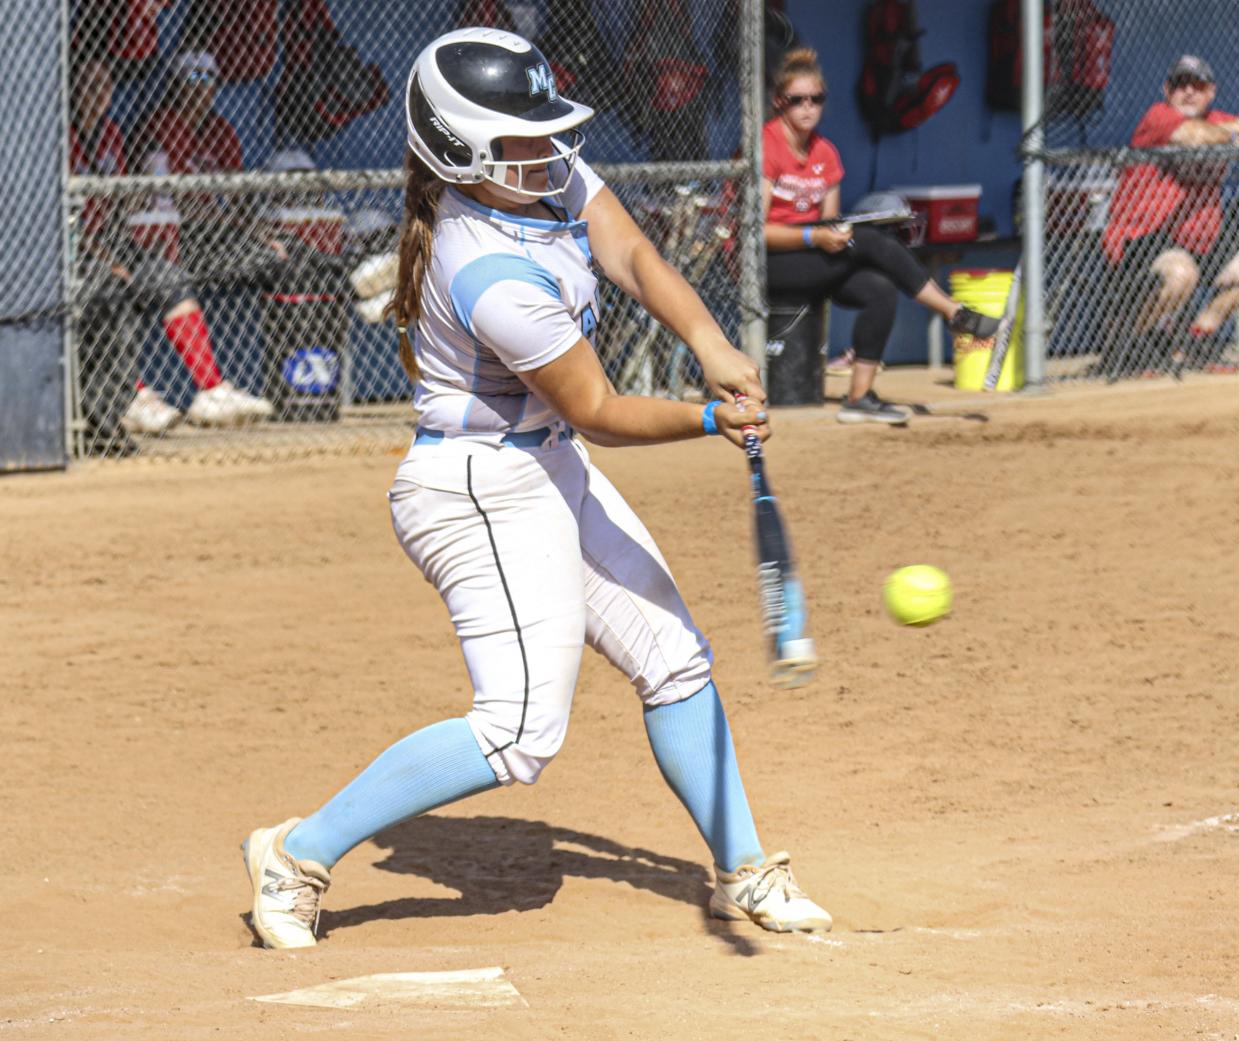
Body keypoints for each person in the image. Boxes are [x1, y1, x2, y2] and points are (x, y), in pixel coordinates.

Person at [241, 28, 832, 949]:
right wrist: (709, 419)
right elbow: (594, 407)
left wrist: (711, 345)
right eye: (520, 134)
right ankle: (295, 850)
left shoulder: (538, 171)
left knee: (673, 657)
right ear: (463, 150)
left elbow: (632, 253)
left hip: (544, 461)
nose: (550, 147)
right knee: (517, 728)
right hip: (477, 487)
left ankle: (742, 869)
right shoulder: (485, 271)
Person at [762, 48, 999, 425]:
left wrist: (832, 236)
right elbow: (757, 233)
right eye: (797, 101)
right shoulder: (767, 146)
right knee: (870, 241)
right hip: (770, 263)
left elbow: (829, 221)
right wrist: (817, 239)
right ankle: (953, 312)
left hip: (812, 258)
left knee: (880, 288)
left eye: (816, 99)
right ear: (779, 103)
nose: (808, 108)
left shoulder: (826, 152)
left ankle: (858, 397)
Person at [69, 49, 265, 436]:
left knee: (167, 278)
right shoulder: (63, 135)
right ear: (74, 89)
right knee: (113, 288)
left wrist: (133, 215)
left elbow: (116, 206)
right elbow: (69, 222)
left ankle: (211, 389)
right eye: (89, 86)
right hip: (72, 251)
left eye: (104, 86)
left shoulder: (110, 132)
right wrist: (110, 259)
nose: (98, 94)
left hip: (109, 242)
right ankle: (132, 395)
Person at [1100, 55, 1239, 377]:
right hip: (1142, 239)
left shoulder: (1218, 118)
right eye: (1179, 85)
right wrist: (1232, 136)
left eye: (1197, 85)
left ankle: (1196, 338)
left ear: (1211, 91)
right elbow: (1194, 136)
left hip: (1199, 241)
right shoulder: (1158, 116)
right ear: (1166, 90)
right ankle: (1127, 342)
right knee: (1181, 273)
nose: (1188, 92)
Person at [129, 49, 277, 426]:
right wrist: (223, 217)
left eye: (208, 79)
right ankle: (211, 390)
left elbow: (238, 199)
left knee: (276, 258)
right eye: (192, 79)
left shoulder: (221, 129)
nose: (202, 88)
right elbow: (170, 201)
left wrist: (255, 231)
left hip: (220, 232)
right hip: (184, 235)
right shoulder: (162, 123)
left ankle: (290, 388)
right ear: (177, 86)